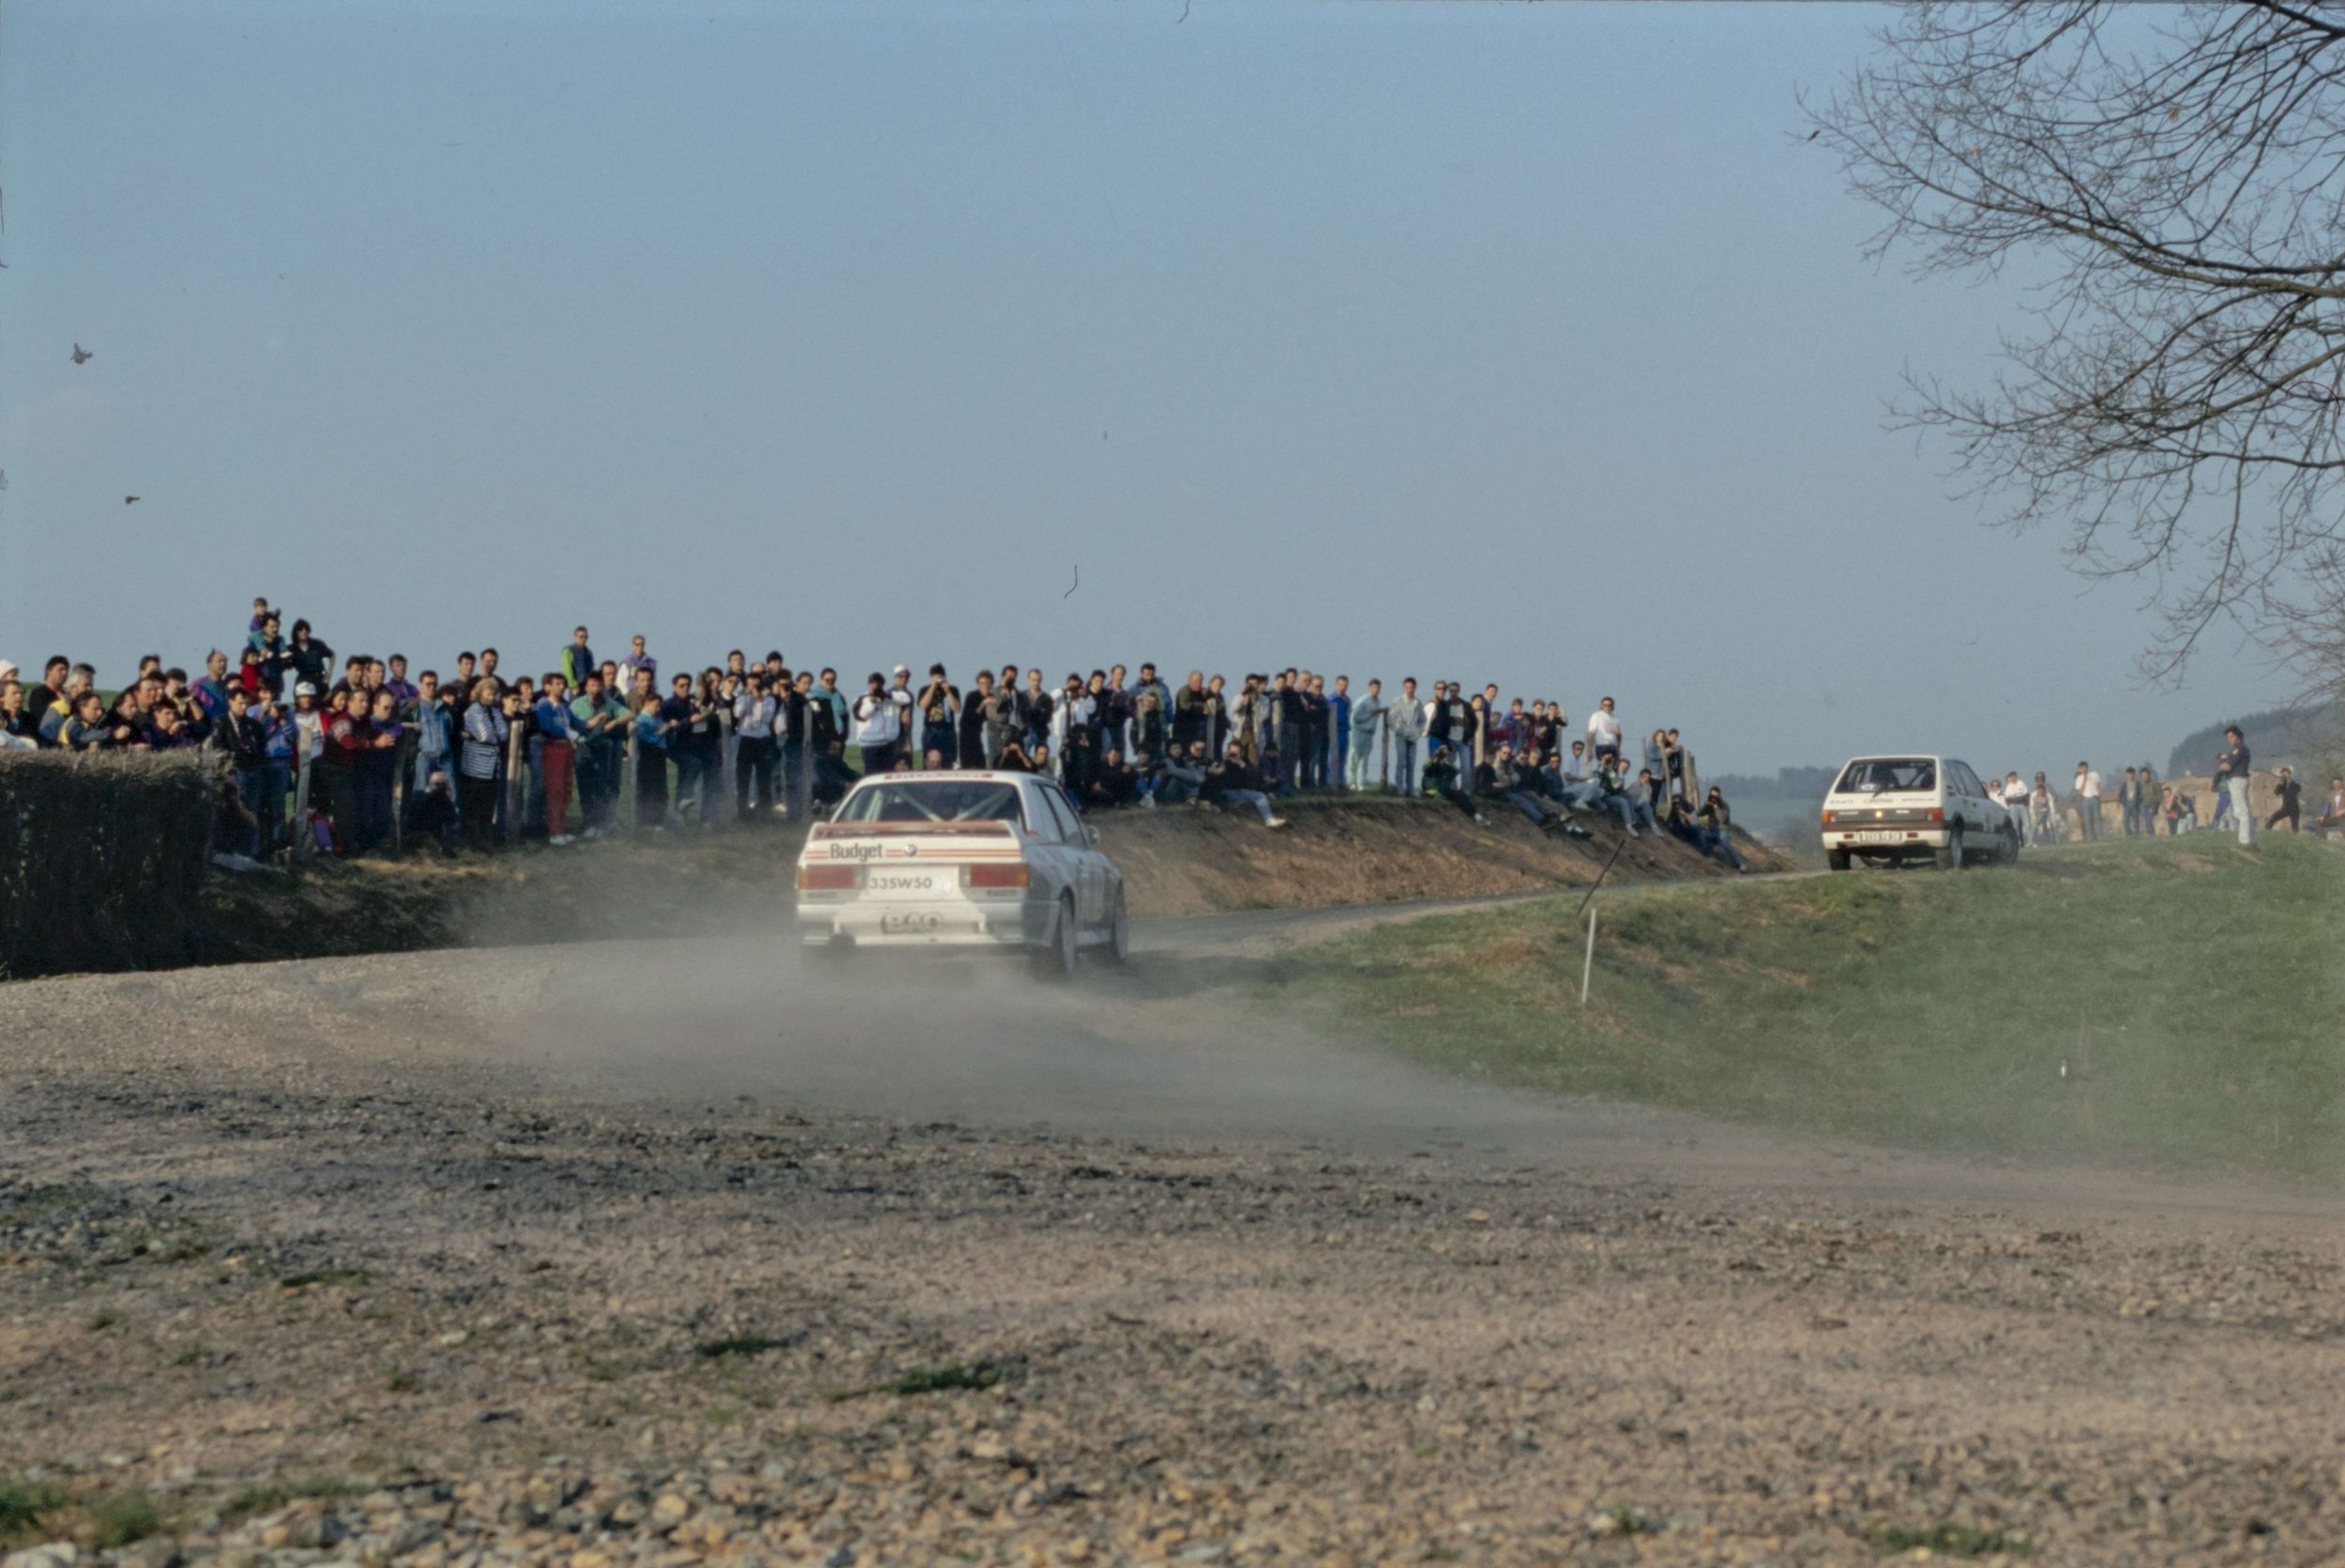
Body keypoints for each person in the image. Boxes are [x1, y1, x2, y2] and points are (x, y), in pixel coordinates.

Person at [458, 678, 508, 851]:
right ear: (480, 693)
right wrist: (495, 735)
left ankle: (485, 838)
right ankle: (474, 840)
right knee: (474, 805)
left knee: (488, 805)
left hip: (492, 766)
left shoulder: (495, 711)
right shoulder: (474, 710)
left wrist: (496, 734)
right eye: (488, 693)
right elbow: (484, 735)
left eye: (494, 693)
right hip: (475, 765)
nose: (491, 696)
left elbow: (504, 733)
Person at [534, 674, 581, 844]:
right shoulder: (544, 705)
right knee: (555, 789)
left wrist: (596, 722)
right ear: (549, 686)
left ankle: (561, 829)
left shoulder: (564, 706)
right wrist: (566, 733)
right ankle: (554, 832)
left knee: (566, 789)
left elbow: (578, 723)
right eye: (558, 684)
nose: (561, 687)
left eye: (564, 684)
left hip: (566, 747)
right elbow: (547, 726)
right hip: (553, 747)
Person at [1200, 741, 1288, 828]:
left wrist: (1241, 764)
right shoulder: (1223, 761)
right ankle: (1269, 819)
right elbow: (1213, 772)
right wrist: (1223, 762)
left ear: (1241, 753)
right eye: (1232, 753)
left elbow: (1255, 774)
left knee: (1260, 795)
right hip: (1226, 791)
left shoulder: (1244, 761)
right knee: (1259, 796)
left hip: (1240, 791)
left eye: (1236, 753)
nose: (1233, 756)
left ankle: (1269, 819)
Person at [733, 671, 779, 819]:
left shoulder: (769, 700)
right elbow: (738, 714)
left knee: (764, 778)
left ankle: (764, 813)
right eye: (750, 684)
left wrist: (759, 701)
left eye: (756, 685)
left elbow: (765, 719)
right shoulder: (741, 698)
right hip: (746, 738)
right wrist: (747, 697)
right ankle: (742, 812)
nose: (753, 687)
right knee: (743, 778)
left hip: (762, 739)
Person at [852, 671, 902, 776]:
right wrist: (872, 702)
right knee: (872, 776)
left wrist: (885, 696)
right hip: (870, 745)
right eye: (872, 684)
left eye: (878, 684)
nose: (875, 687)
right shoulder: (862, 699)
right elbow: (862, 715)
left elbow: (906, 699)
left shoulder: (890, 698)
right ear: (868, 684)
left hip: (888, 744)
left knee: (887, 776)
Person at [2216, 725, 2253, 846]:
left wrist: (2222, 763)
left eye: (2231, 736)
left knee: (2241, 811)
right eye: (2227, 737)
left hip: (2237, 779)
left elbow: (2226, 766)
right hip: (2241, 779)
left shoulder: (2239, 749)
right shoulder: (2237, 750)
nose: (2229, 739)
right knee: (2245, 810)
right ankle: (2251, 838)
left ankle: (2244, 840)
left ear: (2237, 736)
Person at [1696, 786, 1748, 872]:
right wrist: (1705, 805)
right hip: (1712, 831)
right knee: (1702, 836)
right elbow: (1698, 814)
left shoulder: (1724, 805)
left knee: (1724, 843)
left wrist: (1716, 808)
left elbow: (1723, 819)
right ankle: (1708, 857)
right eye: (1712, 796)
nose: (1713, 799)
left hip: (1723, 830)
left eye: (1715, 797)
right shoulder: (1709, 805)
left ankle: (1741, 864)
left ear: (1719, 796)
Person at [1347, 678, 1385, 790]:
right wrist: (1371, 714)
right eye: (1373, 687)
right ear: (1370, 688)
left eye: (1378, 687)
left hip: (1369, 733)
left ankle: (1361, 782)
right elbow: (1355, 717)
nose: (1376, 690)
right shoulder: (1363, 701)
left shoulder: (1378, 702)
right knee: (1354, 757)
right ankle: (1351, 782)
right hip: (1359, 731)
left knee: (1364, 759)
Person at [1386, 678, 1424, 795]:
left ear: (1415, 688)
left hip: (1413, 736)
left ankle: (1410, 789)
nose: (1409, 690)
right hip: (1401, 736)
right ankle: (1399, 788)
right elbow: (1390, 718)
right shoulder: (1398, 701)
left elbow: (1423, 720)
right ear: (1404, 688)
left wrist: (1419, 732)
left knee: (1411, 763)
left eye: (1411, 687)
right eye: (1407, 687)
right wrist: (1398, 729)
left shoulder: (1418, 703)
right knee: (1401, 761)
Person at [1586, 696, 1623, 765]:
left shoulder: (1615, 719)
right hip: (1602, 745)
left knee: (1614, 767)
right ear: (1601, 706)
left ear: (1613, 706)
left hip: (1613, 746)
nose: (1607, 707)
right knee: (1604, 766)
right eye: (1605, 705)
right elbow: (1591, 733)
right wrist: (1589, 750)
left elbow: (1619, 735)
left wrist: (1618, 747)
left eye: (1609, 705)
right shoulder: (1596, 716)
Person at [2264, 764, 2301, 834]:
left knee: (2295, 827)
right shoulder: (2282, 784)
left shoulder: (2295, 783)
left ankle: (2295, 839)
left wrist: (2289, 779)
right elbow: (2276, 792)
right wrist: (2281, 782)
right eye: (2283, 773)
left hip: (2295, 809)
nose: (2285, 774)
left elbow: (2297, 789)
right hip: (2285, 808)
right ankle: (2267, 831)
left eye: (2286, 772)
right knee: (2273, 818)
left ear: (2290, 774)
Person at [2073, 761, 2103, 840]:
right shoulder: (2078, 779)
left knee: (2097, 818)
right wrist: (2084, 780)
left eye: (2085, 768)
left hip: (2094, 798)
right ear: (2079, 769)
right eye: (2081, 768)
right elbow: (2080, 791)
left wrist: (2099, 793)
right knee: (2087, 820)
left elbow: (2098, 784)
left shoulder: (2094, 775)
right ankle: (2090, 837)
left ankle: (2100, 836)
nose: (2084, 769)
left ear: (2087, 767)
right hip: (2085, 799)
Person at [560, 626, 596, 690]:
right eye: (581, 637)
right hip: (576, 687)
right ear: (575, 637)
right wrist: (573, 686)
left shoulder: (588, 652)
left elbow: (591, 669)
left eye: (585, 637)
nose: (583, 639)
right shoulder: (568, 651)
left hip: (588, 687)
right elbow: (567, 670)